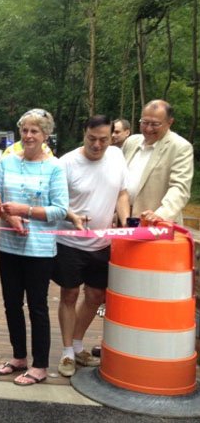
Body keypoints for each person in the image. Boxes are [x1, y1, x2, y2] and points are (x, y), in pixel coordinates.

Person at [0, 108, 68, 386]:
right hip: (9, 246)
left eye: (34, 131)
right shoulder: (7, 163)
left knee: (37, 306)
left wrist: (26, 210)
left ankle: (39, 365)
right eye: (24, 130)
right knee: (12, 304)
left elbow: (60, 210)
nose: (28, 136)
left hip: (40, 249)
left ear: (46, 135)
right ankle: (18, 357)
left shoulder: (55, 167)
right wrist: (10, 216)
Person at [53, 115, 129, 377]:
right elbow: (57, 203)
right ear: (84, 134)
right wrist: (71, 216)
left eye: (104, 140)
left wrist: (124, 222)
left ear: (112, 137)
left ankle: (77, 344)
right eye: (92, 139)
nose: (97, 145)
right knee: (70, 294)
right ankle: (66, 353)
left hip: (102, 242)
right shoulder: (66, 163)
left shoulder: (117, 157)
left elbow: (122, 191)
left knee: (96, 296)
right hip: (70, 241)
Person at [122, 99, 193, 225]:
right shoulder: (131, 142)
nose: (148, 129)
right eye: (144, 122)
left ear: (170, 122)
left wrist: (160, 214)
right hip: (124, 220)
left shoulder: (180, 147)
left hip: (156, 225)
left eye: (155, 124)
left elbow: (179, 188)